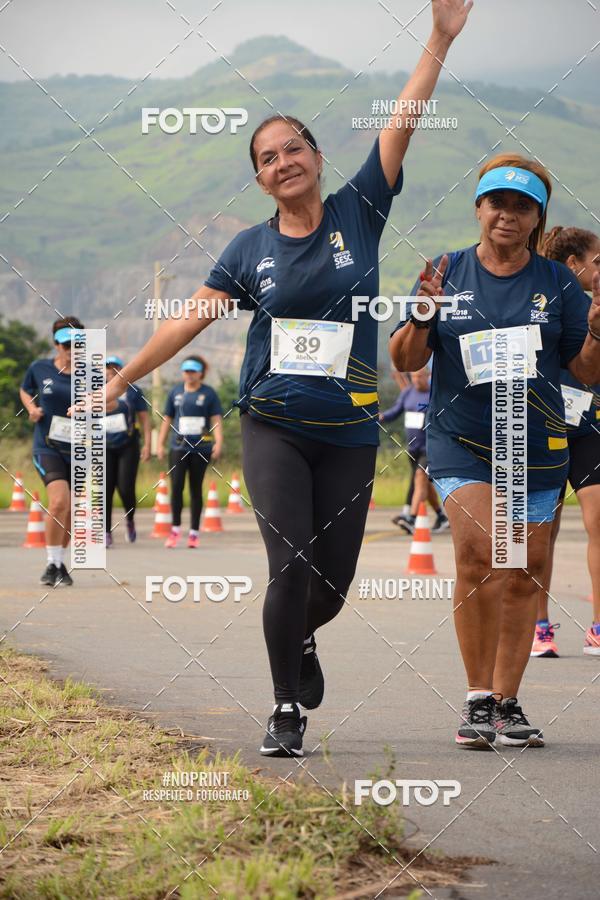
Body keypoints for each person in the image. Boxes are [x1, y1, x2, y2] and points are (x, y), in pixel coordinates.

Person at [105, 0, 472, 757]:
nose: (282, 162)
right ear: (262, 179)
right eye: (267, 158)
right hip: (272, 423)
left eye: (292, 148)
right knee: (291, 562)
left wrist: (437, 38)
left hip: (349, 431)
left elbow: (404, 115)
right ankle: (284, 712)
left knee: (330, 588)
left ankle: (301, 641)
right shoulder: (248, 250)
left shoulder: (360, 211)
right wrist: (120, 381)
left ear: (315, 155)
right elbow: (186, 320)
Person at [390, 155, 600, 749]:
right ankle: (477, 696)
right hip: (463, 441)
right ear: (479, 208)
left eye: (522, 206)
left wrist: (598, 330)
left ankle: (506, 704)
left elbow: (582, 374)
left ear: (538, 219)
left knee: (525, 570)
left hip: (534, 444)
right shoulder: (446, 270)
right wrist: (422, 316)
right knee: (483, 552)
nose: (508, 214)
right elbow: (406, 361)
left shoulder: (557, 283)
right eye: (497, 202)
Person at [531, 227, 600, 658]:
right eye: (596, 261)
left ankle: (597, 627)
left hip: (592, 428)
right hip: (546, 426)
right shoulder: (541, 299)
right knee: (543, 533)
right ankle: (539, 627)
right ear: (574, 264)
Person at [20, 318, 85, 587]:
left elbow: (110, 400)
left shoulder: (90, 373)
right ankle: (50, 563)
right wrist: (32, 409)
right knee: (58, 502)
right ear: (56, 344)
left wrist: (92, 408)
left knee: (71, 510)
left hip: (80, 449)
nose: (70, 348)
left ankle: (59, 562)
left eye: (76, 344)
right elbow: (25, 390)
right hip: (47, 446)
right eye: (66, 344)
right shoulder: (40, 368)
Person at [157, 356, 223, 549]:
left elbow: (216, 418)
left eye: (193, 371)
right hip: (178, 447)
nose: (189, 374)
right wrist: (160, 444)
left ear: (201, 373)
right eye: (186, 371)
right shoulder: (175, 392)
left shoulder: (209, 393)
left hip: (201, 447)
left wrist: (219, 442)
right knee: (176, 487)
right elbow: (167, 418)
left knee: (196, 488)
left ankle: (194, 532)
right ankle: (175, 529)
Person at [379, 366, 448, 534]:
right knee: (423, 483)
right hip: (413, 447)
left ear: (427, 376)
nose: (417, 380)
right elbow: (395, 411)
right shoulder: (408, 392)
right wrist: (381, 417)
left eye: (420, 377)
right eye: (414, 377)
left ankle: (411, 517)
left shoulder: (434, 394)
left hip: (430, 447)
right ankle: (441, 516)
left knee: (419, 477)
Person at [104, 356, 152, 546]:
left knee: (125, 488)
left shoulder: (133, 391)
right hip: (103, 445)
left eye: (115, 369)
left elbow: (145, 420)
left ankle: (130, 519)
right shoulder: (96, 391)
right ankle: (106, 532)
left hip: (128, 444)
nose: (110, 372)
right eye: (107, 369)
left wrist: (148, 445)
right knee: (105, 489)